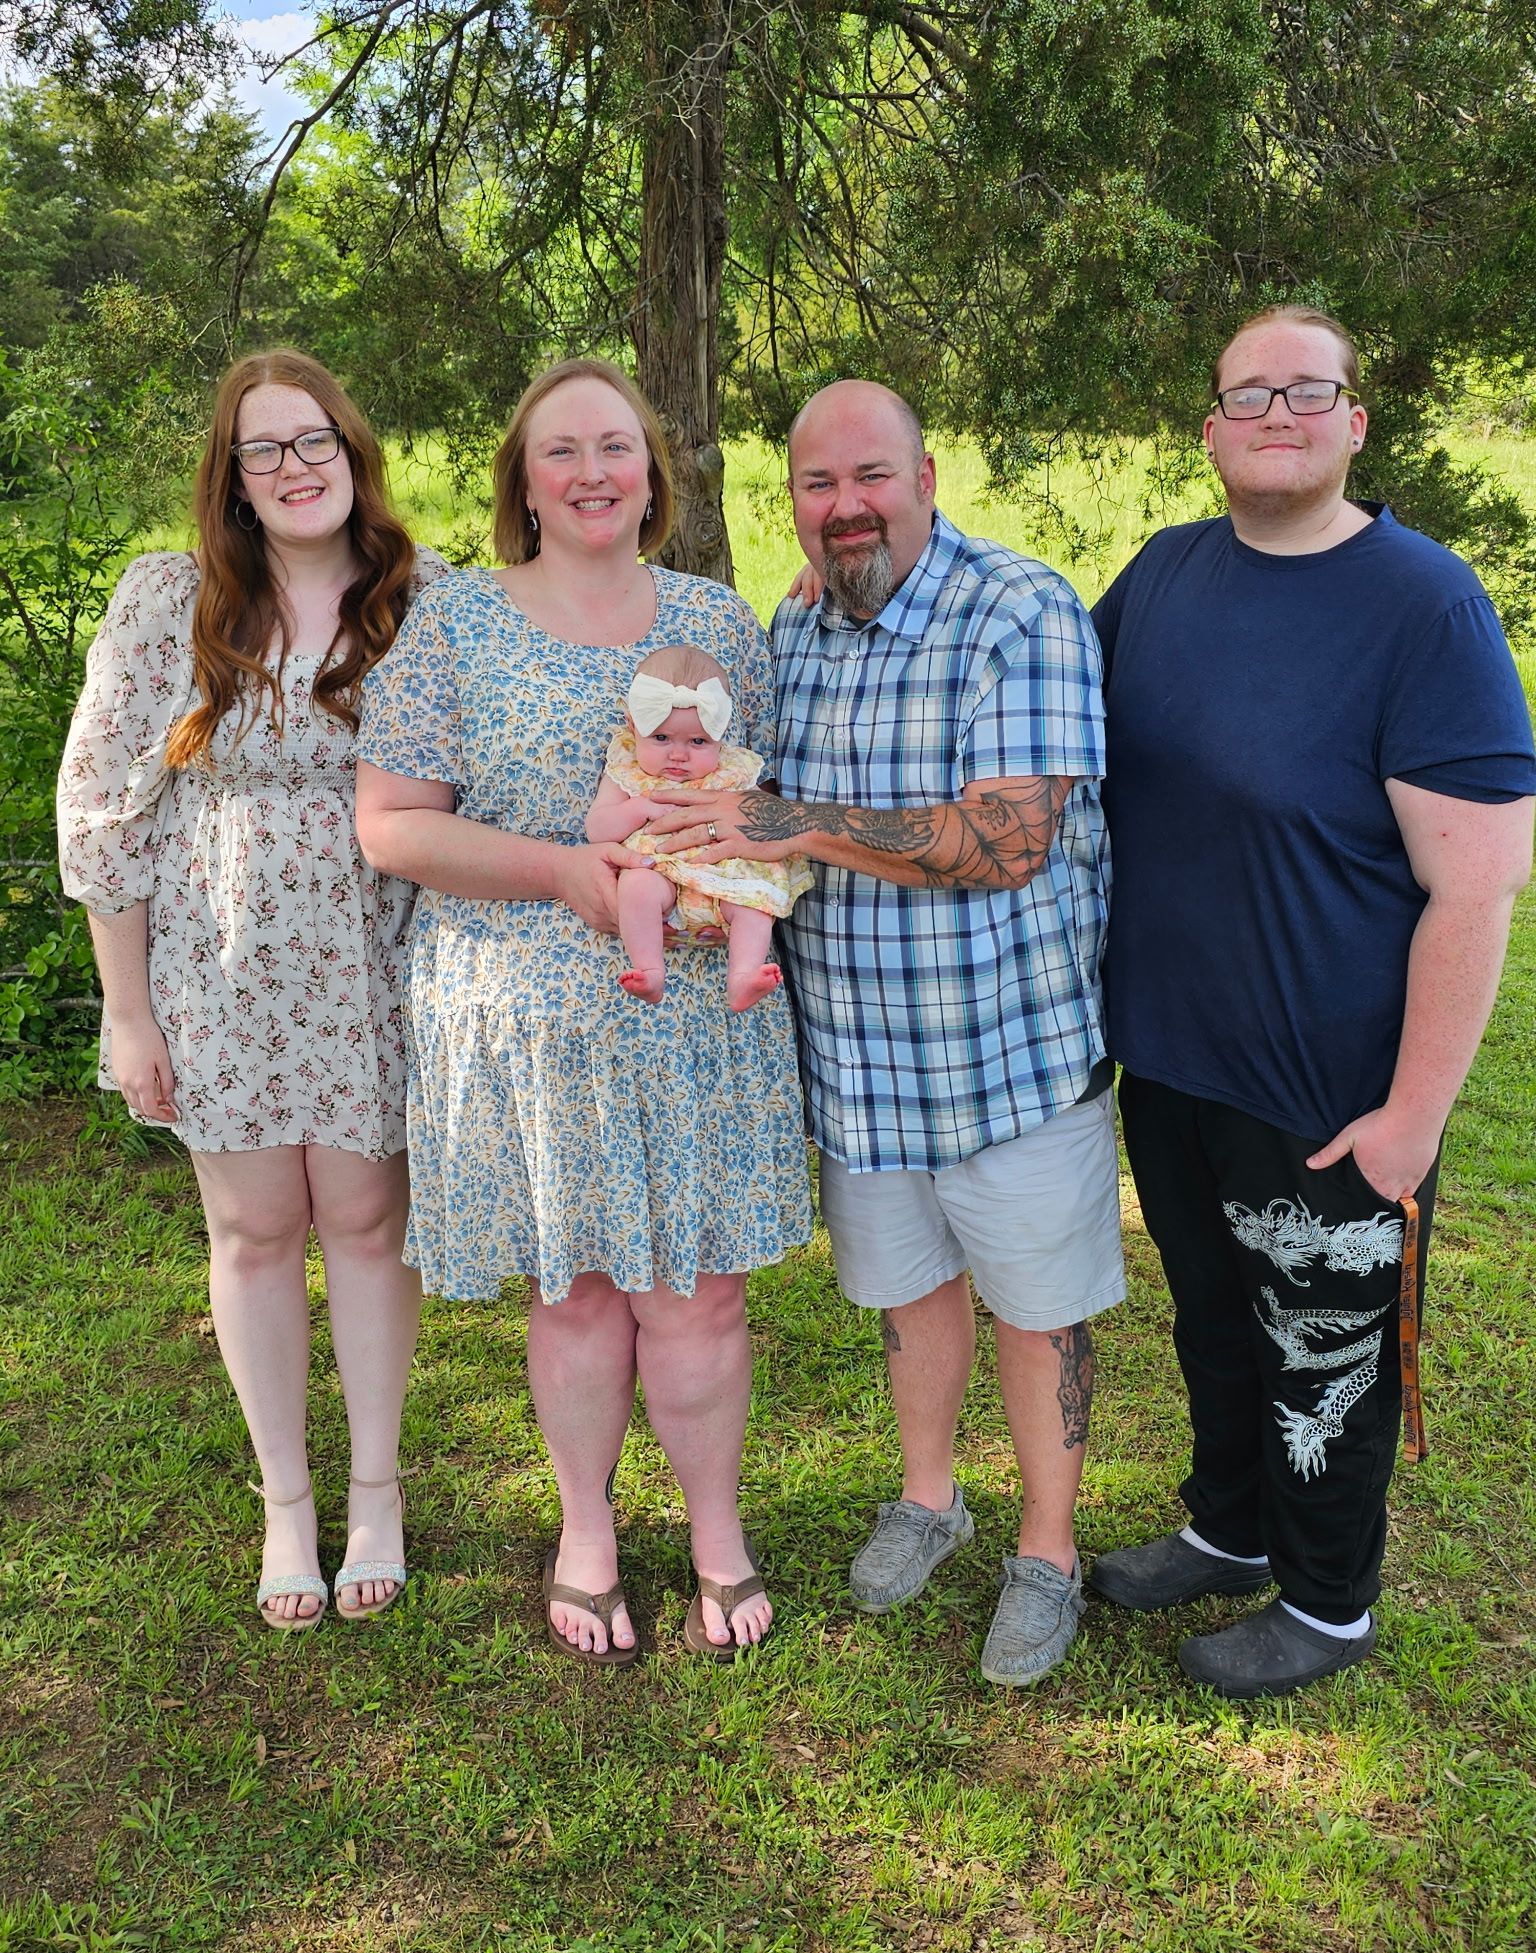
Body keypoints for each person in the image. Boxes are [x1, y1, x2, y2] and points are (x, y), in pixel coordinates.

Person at [647, 379, 1124, 1687]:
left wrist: (798, 826)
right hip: (859, 1065)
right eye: (816, 484)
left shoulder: (1016, 610)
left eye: (870, 477)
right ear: (791, 501)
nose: (845, 506)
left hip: (1008, 1061)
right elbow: (731, 796)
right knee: (911, 1302)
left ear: (926, 478)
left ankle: (1047, 1550)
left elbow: (1012, 840)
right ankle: (929, 1499)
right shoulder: (795, 627)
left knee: (1040, 1311)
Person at [1090, 305, 1536, 1698]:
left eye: (1308, 389)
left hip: (1333, 1082)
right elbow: (1044, 701)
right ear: (1213, 429)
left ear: (1355, 420)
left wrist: (1415, 1114)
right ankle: (1229, 1529)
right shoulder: (1162, 577)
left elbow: (1475, 888)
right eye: (1246, 393)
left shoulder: (1425, 605)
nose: (1276, 414)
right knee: (1217, 1321)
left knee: (1322, 1343)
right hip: (1173, 1060)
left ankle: (1329, 1601)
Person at [353, 358, 811, 1665]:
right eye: (563, 452)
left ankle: (717, 1534)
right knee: (579, 1303)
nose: (595, 471)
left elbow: (757, 799)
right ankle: (587, 1531)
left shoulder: (720, 624)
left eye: (617, 446)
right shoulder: (452, 625)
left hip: (695, 1027)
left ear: (653, 473)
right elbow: (392, 827)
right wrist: (567, 873)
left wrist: (725, 872)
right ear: (524, 484)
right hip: (528, 1022)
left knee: (699, 1302)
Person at [57, 348, 448, 1630]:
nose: (294, 466)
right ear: (231, 475)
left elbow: (519, 731)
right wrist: (128, 1009)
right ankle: (290, 1501)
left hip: (372, 964)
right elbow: (105, 808)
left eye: (314, 439)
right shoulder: (170, 601)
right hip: (215, 971)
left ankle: (376, 1490)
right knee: (254, 1231)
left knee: (365, 1225)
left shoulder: (419, 597)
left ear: (353, 449)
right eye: (263, 447)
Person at [586, 643, 813, 1010]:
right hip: (660, 872)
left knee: (755, 903)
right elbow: (597, 828)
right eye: (661, 738)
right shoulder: (626, 770)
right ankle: (649, 968)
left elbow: (762, 816)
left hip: (726, 876)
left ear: (720, 737)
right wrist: (637, 808)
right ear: (633, 726)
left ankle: (743, 975)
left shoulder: (733, 769)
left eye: (698, 741)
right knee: (636, 887)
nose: (678, 754)